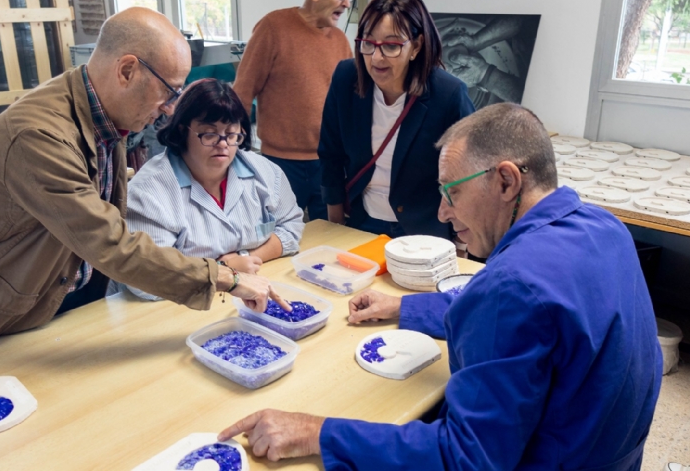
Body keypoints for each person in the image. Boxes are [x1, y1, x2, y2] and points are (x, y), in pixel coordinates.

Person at [218, 103, 663, 470]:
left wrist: (317, 431)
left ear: (506, 180)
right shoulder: (605, 227)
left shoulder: (513, 288)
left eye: (452, 192)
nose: (445, 213)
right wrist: (403, 309)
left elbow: (464, 459)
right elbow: (525, 322)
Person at [0, 8, 287, 353]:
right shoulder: (38, 134)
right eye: (170, 91)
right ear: (128, 70)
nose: (171, 108)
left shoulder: (106, 116)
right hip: (4, 318)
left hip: (68, 300)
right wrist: (228, 279)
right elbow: (110, 243)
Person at [113, 79, 304, 300]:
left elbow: (291, 227)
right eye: (210, 134)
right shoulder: (149, 192)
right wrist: (223, 269)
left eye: (231, 134)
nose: (223, 144)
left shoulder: (264, 172)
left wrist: (245, 259)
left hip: (245, 292)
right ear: (183, 131)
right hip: (171, 308)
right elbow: (147, 280)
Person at [319, 0, 475, 239]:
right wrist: (335, 224)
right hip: (362, 221)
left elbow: (468, 174)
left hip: (424, 230)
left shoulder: (448, 95)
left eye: (391, 46)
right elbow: (331, 153)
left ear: (416, 46)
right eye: (368, 43)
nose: (376, 57)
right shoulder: (345, 78)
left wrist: (462, 240)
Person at [233, 0, 353, 221]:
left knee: (330, 237)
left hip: (328, 163)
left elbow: (351, 102)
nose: (346, 3)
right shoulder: (273, 27)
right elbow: (243, 91)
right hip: (280, 164)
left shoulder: (340, 41)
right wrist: (235, 150)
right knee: (278, 236)